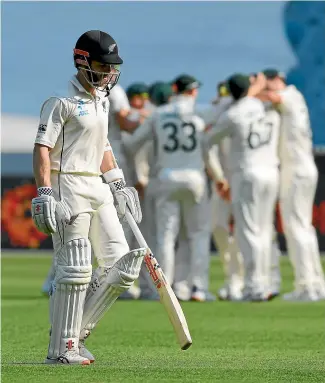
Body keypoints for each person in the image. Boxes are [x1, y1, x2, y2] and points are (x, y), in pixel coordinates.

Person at [31, 30, 143, 365]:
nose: (109, 72)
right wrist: (45, 191)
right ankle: (62, 349)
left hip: (97, 186)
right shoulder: (60, 102)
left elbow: (104, 146)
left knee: (123, 266)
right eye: (101, 64)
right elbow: (42, 149)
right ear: (82, 62)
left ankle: (74, 334)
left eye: (112, 66)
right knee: (76, 266)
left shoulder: (102, 100)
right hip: (68, 185)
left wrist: (119, 183)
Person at [127, 74, 214, 301]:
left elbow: (133, 143)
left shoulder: (158, 114)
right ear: (193, 92)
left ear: (175, 89)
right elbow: (209, 147)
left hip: (166, 178)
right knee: (197, 234)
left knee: (165, 236)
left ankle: (163, 288)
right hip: (195, 179)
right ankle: (198, 288)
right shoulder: (202, 113)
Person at [206, 73, 281, 301]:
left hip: (247, 173)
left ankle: (254, 286)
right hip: (271, 171)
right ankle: (265, 282)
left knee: (248, 231)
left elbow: (207, 142)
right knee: (264, 230)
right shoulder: (262, 107)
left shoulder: (232, 114)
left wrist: (219, 177)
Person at [262, 68, 325, 301]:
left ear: (278, 81)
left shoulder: (289, 95)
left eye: (270, 83)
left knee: (295, 228)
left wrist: (256, 89)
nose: (268, 88)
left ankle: (306, 286)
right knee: (303, 227)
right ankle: (315, 283)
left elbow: (273, 98)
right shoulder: (294, 97)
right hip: (303, 167)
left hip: (296, 170)